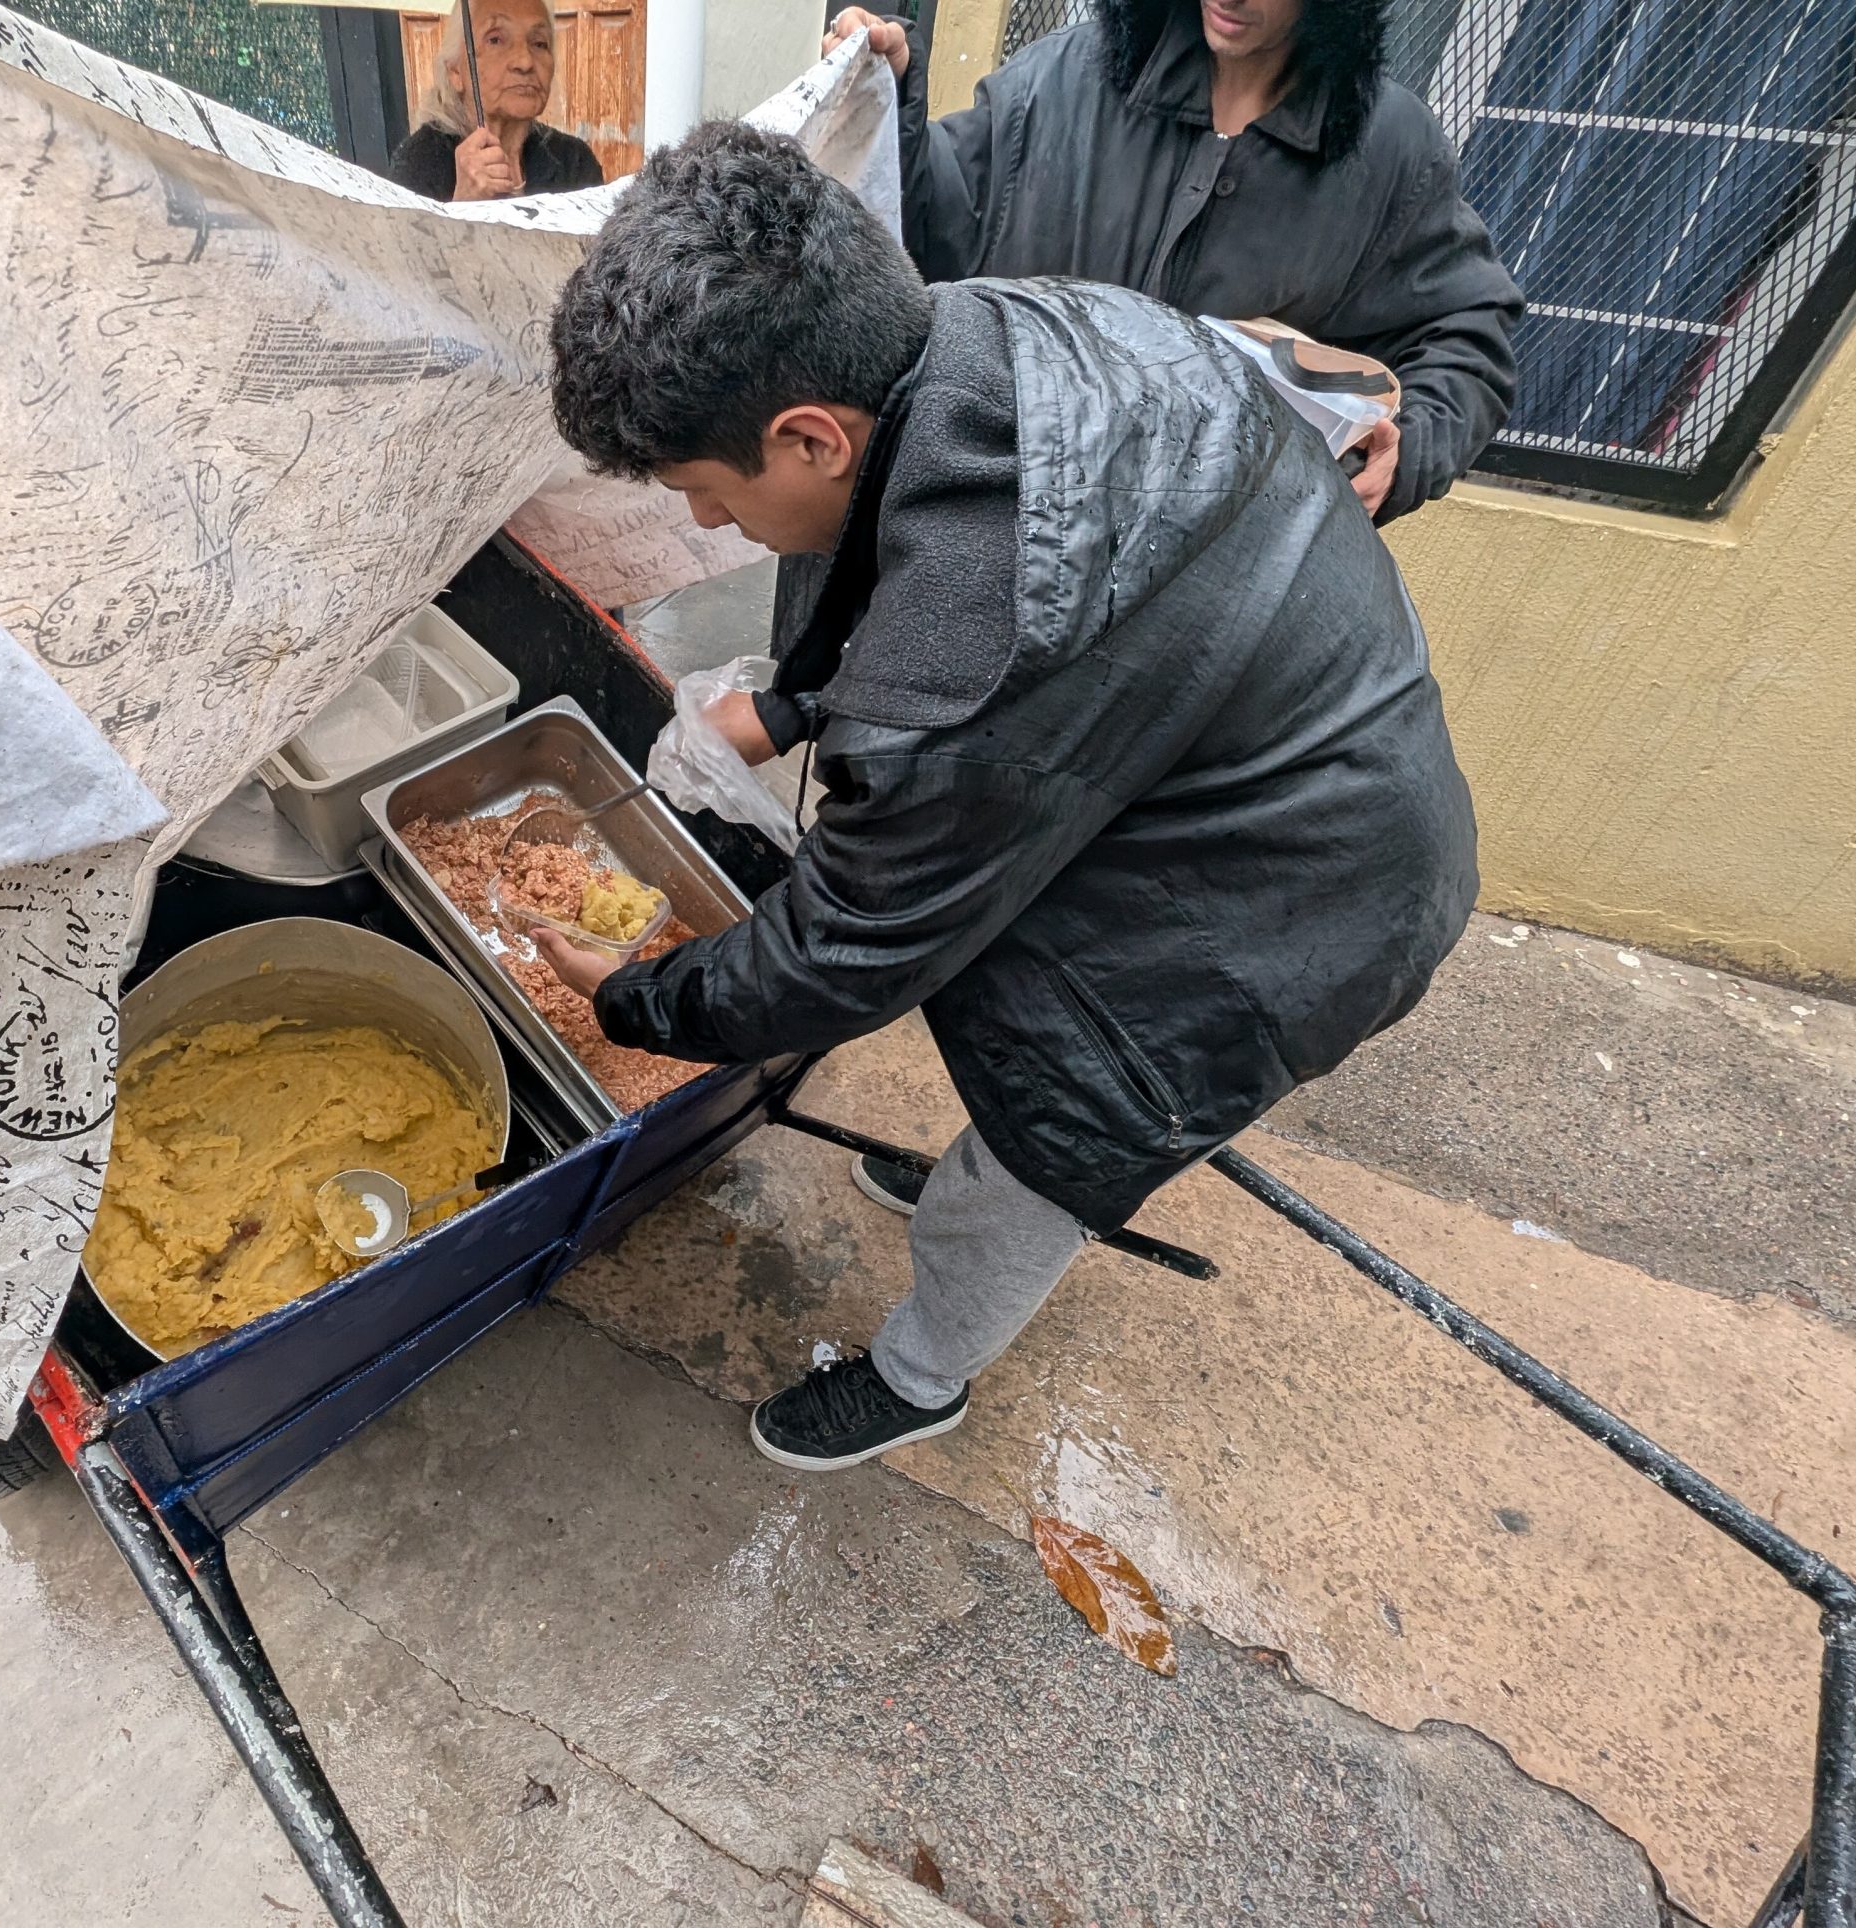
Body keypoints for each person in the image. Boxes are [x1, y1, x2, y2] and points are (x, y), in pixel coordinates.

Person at [538, 123, 1478, 1472]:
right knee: (1013, 1067)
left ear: (806, 435)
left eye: (705, 493)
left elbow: (848, 954)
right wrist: (801, 699)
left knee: (1053, 1139)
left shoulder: (968, 663)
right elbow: (942, 595)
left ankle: (924, 1376)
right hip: (1254, 762)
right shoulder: (980, 327)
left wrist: (632, 990)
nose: (709, 532)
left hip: (1294, 906)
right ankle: (994, 1164)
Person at [823, 0, 1521, 524]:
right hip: (1003, 531)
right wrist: (892, 102)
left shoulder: (1388, 149)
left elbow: (1466, 337)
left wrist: (1409, 447)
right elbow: (929, 232)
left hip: (1210, 583)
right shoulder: (1063, 79)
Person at [389, 0, 605, 204]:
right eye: (495, 39)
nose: (525, 62)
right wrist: (462, 206)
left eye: (539, 43)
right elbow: (407, 243)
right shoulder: (420, 162)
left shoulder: (574, 161)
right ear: (455, 70)